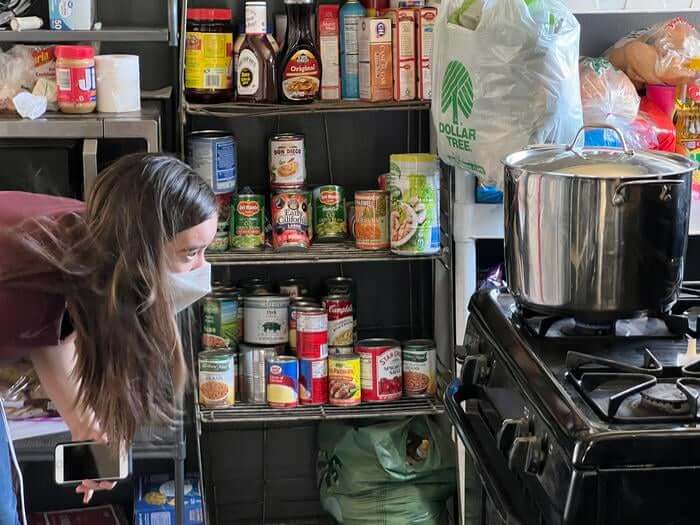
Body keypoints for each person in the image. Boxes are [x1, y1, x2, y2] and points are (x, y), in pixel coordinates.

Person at [0, 153, 218, 522]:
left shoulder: (96, 239)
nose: (202, 268)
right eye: (190, 254)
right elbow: (36, 313)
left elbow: (48, 333)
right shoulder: (22, 276)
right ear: (141, 251)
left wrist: (85, 424)